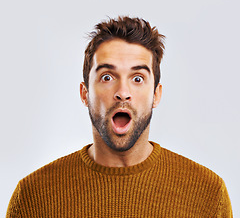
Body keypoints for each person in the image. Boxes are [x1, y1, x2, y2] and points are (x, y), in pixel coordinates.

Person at [6, 16, 232, 217]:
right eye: (107, 77)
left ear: (156, 95)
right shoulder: (32, 197)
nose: (122, 92)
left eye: (137, 78)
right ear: (85, 94)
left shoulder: (208, 194)